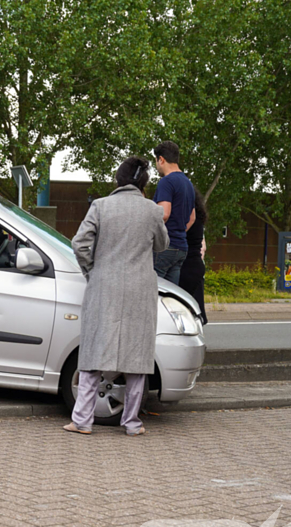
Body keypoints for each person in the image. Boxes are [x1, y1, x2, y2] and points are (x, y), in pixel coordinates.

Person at [65, 156, 169, 436]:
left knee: (94, 351)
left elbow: (79, 244)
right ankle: (132, 423)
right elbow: (162, 244)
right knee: (137, 357)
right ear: (143, 183)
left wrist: (92, 270)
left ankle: (82, 421)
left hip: (103, 286)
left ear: (118, 179)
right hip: (140, 289)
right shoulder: (152, 211)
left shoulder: (100, 206)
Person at [151, 141, 195, 284]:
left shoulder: (166, 182)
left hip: (164, 247)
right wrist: (178, 232)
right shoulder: (188, 183)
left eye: (156, 161)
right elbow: (192, 217)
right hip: (181, 247)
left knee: (154, 292)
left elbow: (164, 214)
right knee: (170, 293)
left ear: (161, 159)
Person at [179, 188, 209, 324]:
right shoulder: (200, 219)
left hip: (186, 266)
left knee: (181, 309)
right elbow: (203, 247)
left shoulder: (185, 219)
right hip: (197, 266)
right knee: (196, 310)